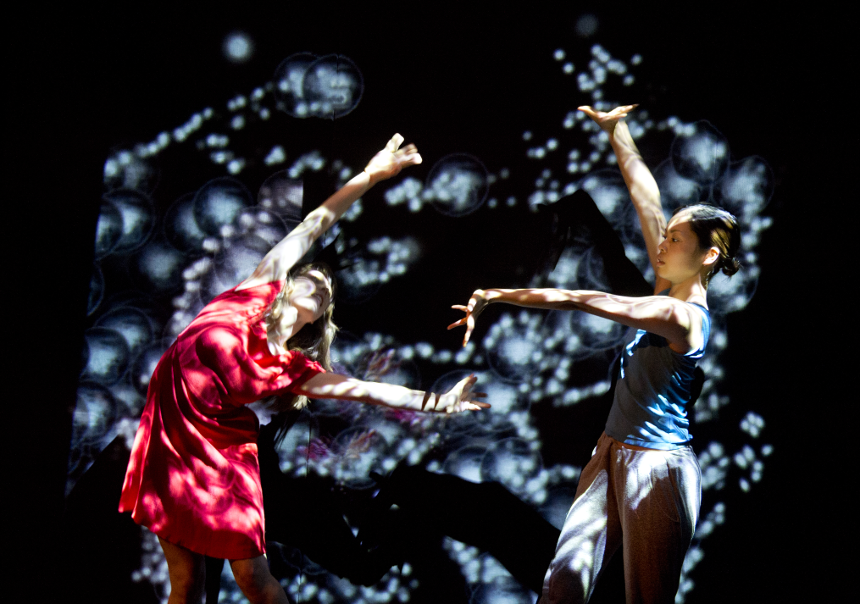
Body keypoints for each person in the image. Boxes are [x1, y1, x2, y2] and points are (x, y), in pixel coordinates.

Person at [119, 134, 489, 604]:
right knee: (186, 586)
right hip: (169, 440)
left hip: (225, 455)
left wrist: (439, 402)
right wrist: (371, 175)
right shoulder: (254, 292)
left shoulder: (289, 367)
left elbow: (367, 392)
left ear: (319, 318)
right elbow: (315, 224)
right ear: (289, 286)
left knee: (254, 581)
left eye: (326, 293)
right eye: (311, 279)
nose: (318, 285)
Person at [449, 106, 740, 604]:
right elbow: (646, 199)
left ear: (707, 255)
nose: (661, 242)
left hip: (658, 467)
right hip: (608, 452)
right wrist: (617, 131)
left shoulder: (684, 316)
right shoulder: (668, 281)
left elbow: (585, 299)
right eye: (665, 235)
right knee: (562, 586)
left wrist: (495, 294)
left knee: (646, 595)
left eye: (674, 238)